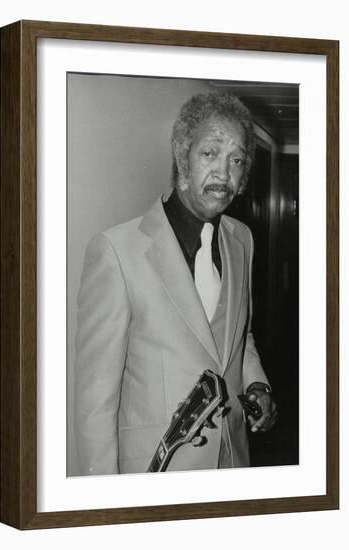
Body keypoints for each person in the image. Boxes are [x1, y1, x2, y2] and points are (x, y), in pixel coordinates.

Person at [74, 91, 277, 476]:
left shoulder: (242, 240)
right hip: (158, 472)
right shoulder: (117, 252)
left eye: (236, 160)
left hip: (234, 463)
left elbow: (238, 337)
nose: (224, 173)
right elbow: (94, 408)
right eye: (209, 153)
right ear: (182, 157)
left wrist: (257, 385)